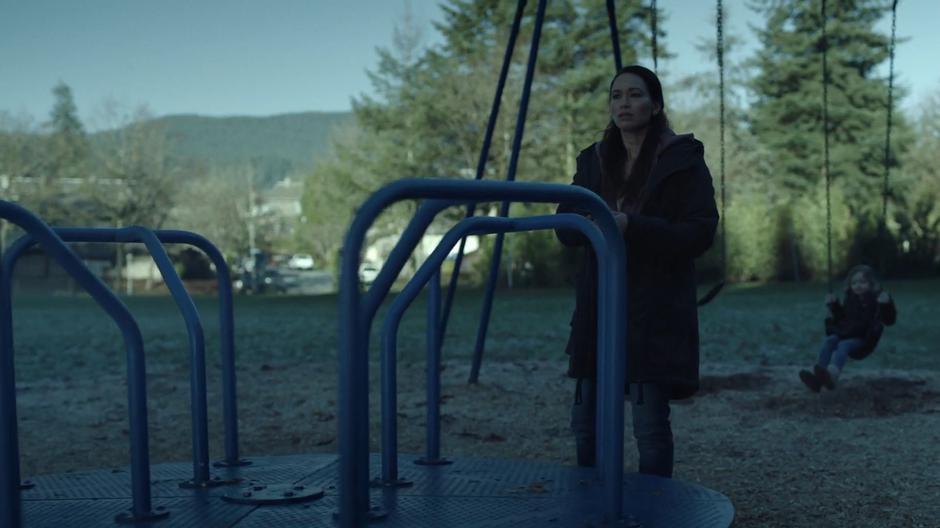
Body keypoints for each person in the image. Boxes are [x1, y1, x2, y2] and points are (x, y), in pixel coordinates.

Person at [554, 65, 718, 477]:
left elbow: (699, 232)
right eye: (616, 96)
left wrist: (633, 226)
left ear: (656, 104)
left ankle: (655, 507)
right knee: (585, 421)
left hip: (653, 303)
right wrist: (587, 223)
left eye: (634, 94)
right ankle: (588, 503)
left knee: (649, 424)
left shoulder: (682, 161)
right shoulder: (593, 161)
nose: (624, 103)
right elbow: (563, 225)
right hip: (600, 301)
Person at [799, 264, 897, 392]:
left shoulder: (876, 300)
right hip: (846, 333)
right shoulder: (851, 298)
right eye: (854, 282)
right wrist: (833, 305)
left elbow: (888, 320)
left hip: (863, 339)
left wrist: (886, 304)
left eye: (862, 282)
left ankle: (832, 377)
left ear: (871, 283)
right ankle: (819, 376)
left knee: (844, 345)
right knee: (830, 340)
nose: (858, 285)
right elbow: (842, 318)